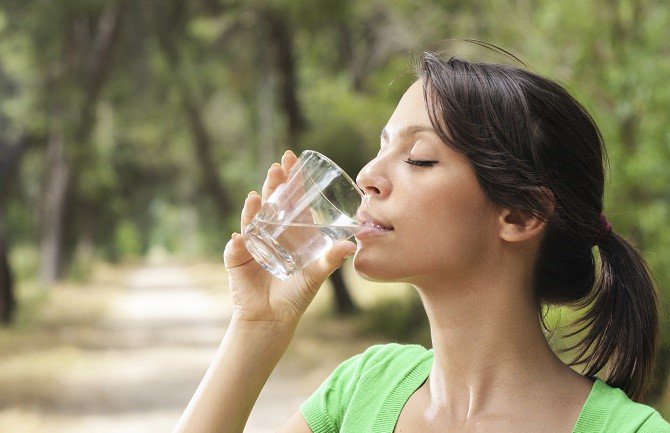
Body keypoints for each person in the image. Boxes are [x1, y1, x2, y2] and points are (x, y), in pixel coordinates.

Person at [172, 46, 670, 433]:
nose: (367, 175)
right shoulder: (364, 388)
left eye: (419, 159)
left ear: (519, 215)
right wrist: (257, 325)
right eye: (382, 147)